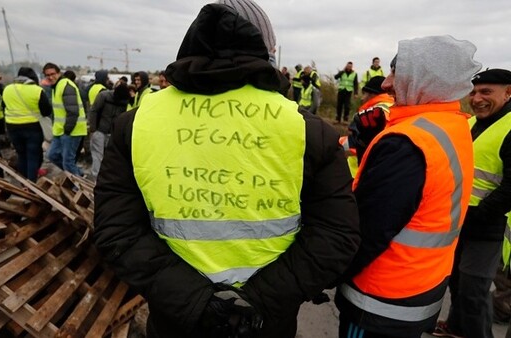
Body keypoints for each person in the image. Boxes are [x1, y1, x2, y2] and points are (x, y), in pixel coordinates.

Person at [93, 1, 360, 338]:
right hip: (265, 323)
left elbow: (117, 232)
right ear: (265, 49)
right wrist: (258, 302)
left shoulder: (135, 124)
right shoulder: (309, 130)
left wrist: (196, 302)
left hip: (178, 319)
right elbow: (336, 236)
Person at [335, 35, 480, 338]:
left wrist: (326, 273)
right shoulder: (452, 125)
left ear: (424, 79)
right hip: (421, 289)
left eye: (397, 74)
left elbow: (367, 231)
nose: (386, 84)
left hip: (379, 300)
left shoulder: (408, 142)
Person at [433, 68, 511, 338]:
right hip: (460, 221)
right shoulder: (469, 123)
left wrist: (475, 216)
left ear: (508, 93)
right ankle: (456, 327)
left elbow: (510, 189)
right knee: (457, 283)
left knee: (473, 289)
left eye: (486, 92)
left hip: (488, 226)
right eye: (474, 92)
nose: (477, 98)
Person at [2, 67, 53, 182]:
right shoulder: (37, 90)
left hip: (12, 128)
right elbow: (46, 111)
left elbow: (3, 107)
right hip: (32, 128)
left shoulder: (7, 89)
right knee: (33, 157)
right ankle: (31, 185)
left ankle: (23, 183)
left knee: (21, 155)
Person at [342, 75, 394, 176]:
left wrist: (332, 142)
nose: (362, 98)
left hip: (358, 173)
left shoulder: (370, 114)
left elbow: (354, 142)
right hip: (383, 170)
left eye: (365, 94)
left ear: (372, 95)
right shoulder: (393, 107)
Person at [42, 62, 87, 176]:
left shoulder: (65, 85)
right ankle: (77, 175)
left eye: (53, 74)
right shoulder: (56, 87)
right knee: (52, 155)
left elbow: (73, 112)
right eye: (47, 75)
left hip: (72, 130)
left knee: (68, 161)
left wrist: (67, 130)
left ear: (59, 73)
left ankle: (78, 186)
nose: (50, 77)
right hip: (61, 130)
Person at [88, 82, 130, 180]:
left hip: (112, 133)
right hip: (99, 131)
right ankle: (95, 177)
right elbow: (94, 111)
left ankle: (104, 178)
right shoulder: (104, 96)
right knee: (97, 155)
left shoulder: (124, 100)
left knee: (108, 157)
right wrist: (93, 129)